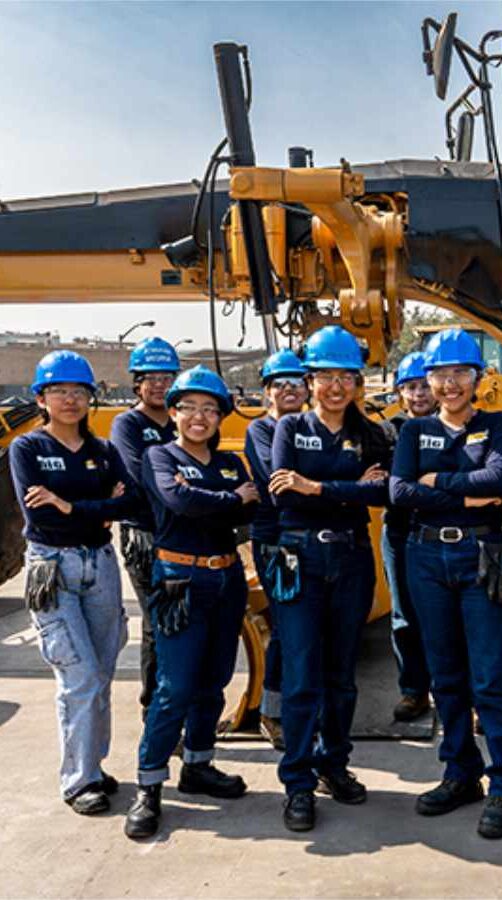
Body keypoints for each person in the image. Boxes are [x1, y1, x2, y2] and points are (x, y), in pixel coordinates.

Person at [389, 326, 502, 840]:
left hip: (481, 556)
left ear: (478, 378)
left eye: (459, 374)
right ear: (428, 378)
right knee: (445, 675)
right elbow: (400, 493)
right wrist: (463, 495)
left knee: (489, 676)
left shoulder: (497, 425)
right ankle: (460, 771)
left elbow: (497, 483)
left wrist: (436, 482)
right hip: (425, 557)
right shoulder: (412, 431)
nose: (449, 385)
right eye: (440, 375)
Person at [125, 365, 259, 840]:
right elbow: (181, 503)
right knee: (174, 687)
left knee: (214, 681)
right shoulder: (159, 457)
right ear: (174, 412)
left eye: (209, 409)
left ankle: (199, 765)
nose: (199, 417)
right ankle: (149, 785)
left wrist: (221, 497)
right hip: (179, 580)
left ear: (221, 416)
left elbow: (249, 506)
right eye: (190, 408)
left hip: (225, 581)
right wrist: (228, 498)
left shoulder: (229, 463)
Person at [268, 326, 392, 833]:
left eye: (345, 377)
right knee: (301, 677)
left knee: (341, 676)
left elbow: (381, 495)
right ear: (310, 379)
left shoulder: (371, 434)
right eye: (324, 377)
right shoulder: (290, 429)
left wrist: (315, 485)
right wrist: (347, 490)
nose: (335, 387)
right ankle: (297, 781)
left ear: (357, 381)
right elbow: (282, 495)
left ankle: (332, 763)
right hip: (300, 561)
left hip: (351, 561)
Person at [10, 350, 136, 815]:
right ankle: (79, 781)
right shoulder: (28, 449)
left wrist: (70, 506)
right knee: (78, 676)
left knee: (100, 672)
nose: (69, 400)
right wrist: (95, 505)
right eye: (59, 391)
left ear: (90, 398)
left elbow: (130, 503)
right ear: (41, 399)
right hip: (53, 567)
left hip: (100, 564)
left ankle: (94, 767)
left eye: (78, 392)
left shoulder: (104, 452)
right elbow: (38, 513)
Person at [110, 336, 180, 715]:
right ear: (137, 383)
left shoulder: (184, 421)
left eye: (166, 377)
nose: (158, 384)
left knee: (181, 625)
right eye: (150, 377)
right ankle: (155, 710)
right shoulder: (128, 425)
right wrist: (182, 484)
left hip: (183, 534)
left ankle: (175, 704)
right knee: (158, 625)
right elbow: (141, 477)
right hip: (145, 536)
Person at [243, 348, 309, 751]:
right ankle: (273, 711)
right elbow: (276, 480)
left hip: (310, 537)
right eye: (279, 384)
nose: (288, 390)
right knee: (286, 628)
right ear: (267, 392)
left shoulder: (315, 425)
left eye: (295, 383)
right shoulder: (261, 431)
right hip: (275, 541)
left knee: (309, 629)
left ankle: (303, 706)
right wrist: (326, 481)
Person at [382, 351, 436, 722]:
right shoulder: (389, 430)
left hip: (439, 533)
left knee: (453, 617)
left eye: (423, 386)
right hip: (401, 531)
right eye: (410, 387)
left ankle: (469, 695)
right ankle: (414, 690)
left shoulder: (454, 424)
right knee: (404, 616)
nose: (418, 394)